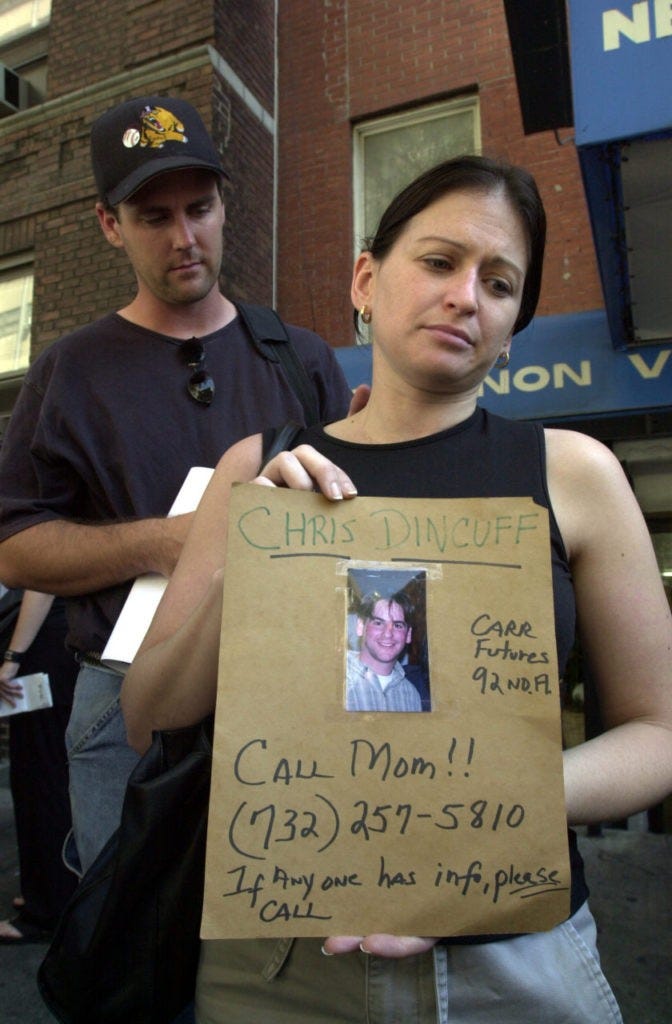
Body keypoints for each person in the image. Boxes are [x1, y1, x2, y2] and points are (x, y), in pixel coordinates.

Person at [121, 155, 672, 1023]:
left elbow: (660, 730)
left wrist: (479, 809)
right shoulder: (258, 468)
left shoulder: (574, 474)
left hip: (513, 959)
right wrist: (251, 557)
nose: (466, 296)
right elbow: (148, 717)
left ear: (513, 326)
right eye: (440, 261)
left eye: (500, 283)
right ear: (367, 280)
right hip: (280, 964)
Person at [0, 94, 358, 876]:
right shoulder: (70, 370)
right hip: (122, 704)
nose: (184, 237)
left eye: (199, 208)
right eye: (154, 217)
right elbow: (15, 546)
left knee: (282, 936)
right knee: (134, 959)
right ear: (110, 225)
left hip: (289, 686)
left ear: (224, 206)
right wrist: (175, 542)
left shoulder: (298, 357)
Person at [0, 590, 78, 943]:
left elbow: (42, 585)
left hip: (43, 651)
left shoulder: (56, 534)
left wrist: (12, 657)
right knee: (49, 777)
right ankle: (47, 892)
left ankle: (45, 909)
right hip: (60, 649)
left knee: (38, 778)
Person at [346, 590, 422, 711]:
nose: (388, 634)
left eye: (397, 625)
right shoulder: (334, 677)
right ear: (361, 627)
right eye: (378, 623)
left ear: (408, 635)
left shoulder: (412, 697)